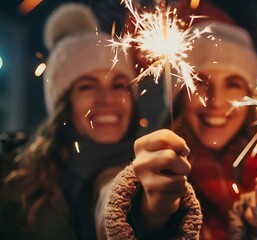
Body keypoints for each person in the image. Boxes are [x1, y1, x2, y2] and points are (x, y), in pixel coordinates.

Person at [102, 19, 257, 239]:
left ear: (250, 98)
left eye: (232, 84)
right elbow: (105, 206)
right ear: (180, 100)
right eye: (200, 83)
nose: (215, 101)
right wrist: (147, 210)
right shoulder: (149, 161)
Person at [0, 3, 152, 239]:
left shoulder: (157, 169)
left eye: (119, 85)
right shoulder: (16, 179)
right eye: (87, 86)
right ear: (63, 103)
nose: (107, 99)